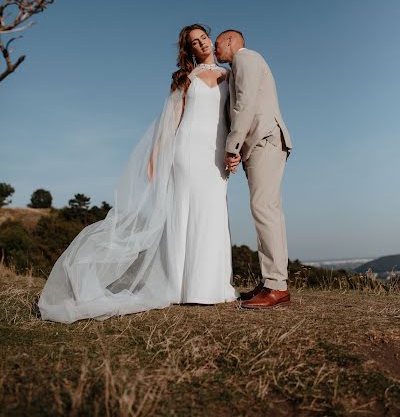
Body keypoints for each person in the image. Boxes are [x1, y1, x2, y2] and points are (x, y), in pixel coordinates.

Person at [38, 24, 238, 323]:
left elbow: (237, 117)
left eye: (204, 38)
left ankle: (209, 286)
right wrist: (156, 156)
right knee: (182, 213)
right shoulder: (186, 79)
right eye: (194, 43)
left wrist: (234, 151)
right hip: (185, 151)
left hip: (214, 153)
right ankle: (179, 287)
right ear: (190, 50)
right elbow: (170, 121)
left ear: (211, 39)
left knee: (211, 212)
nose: (202, 44)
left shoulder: (230, 76)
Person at [214, 30, 292, 309]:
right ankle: (272, 281)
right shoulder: (239, 66)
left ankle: (276, 287)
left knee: (264, 209)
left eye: (217, 45)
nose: (214, 51)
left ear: (230, 42)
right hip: (260, 143)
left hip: (265, 140)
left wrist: (231, 147)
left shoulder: (246, 59)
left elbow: (244, 105)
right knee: (267, 209)